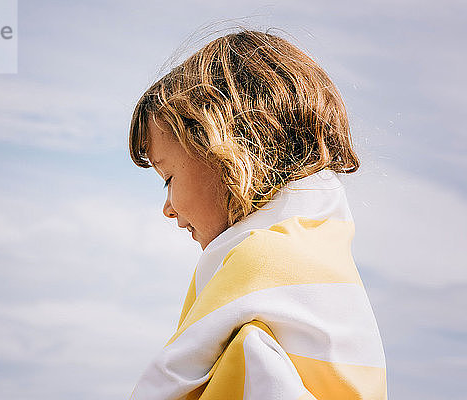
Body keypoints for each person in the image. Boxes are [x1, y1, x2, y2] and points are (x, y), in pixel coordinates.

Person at [128, 30, 387, 400]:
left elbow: (169, 382)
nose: (167, 208)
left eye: (168, 177)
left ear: (224, 150)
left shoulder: (259, 259)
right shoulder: (319, 241)